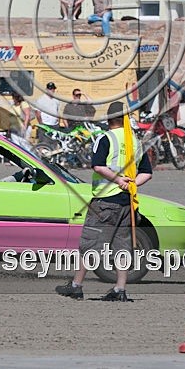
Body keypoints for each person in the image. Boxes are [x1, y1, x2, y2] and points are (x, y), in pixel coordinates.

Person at [55, 101, 152, 302]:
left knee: (90, 244)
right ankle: (120, 288)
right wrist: (131, 184)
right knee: (122, 246)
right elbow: (147, 173)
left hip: (106, 201)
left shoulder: (105, 138)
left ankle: (76, 286)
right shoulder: (135, 141)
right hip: (127, 203)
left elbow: (98, 166)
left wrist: (117, 180)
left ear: (108, 119)